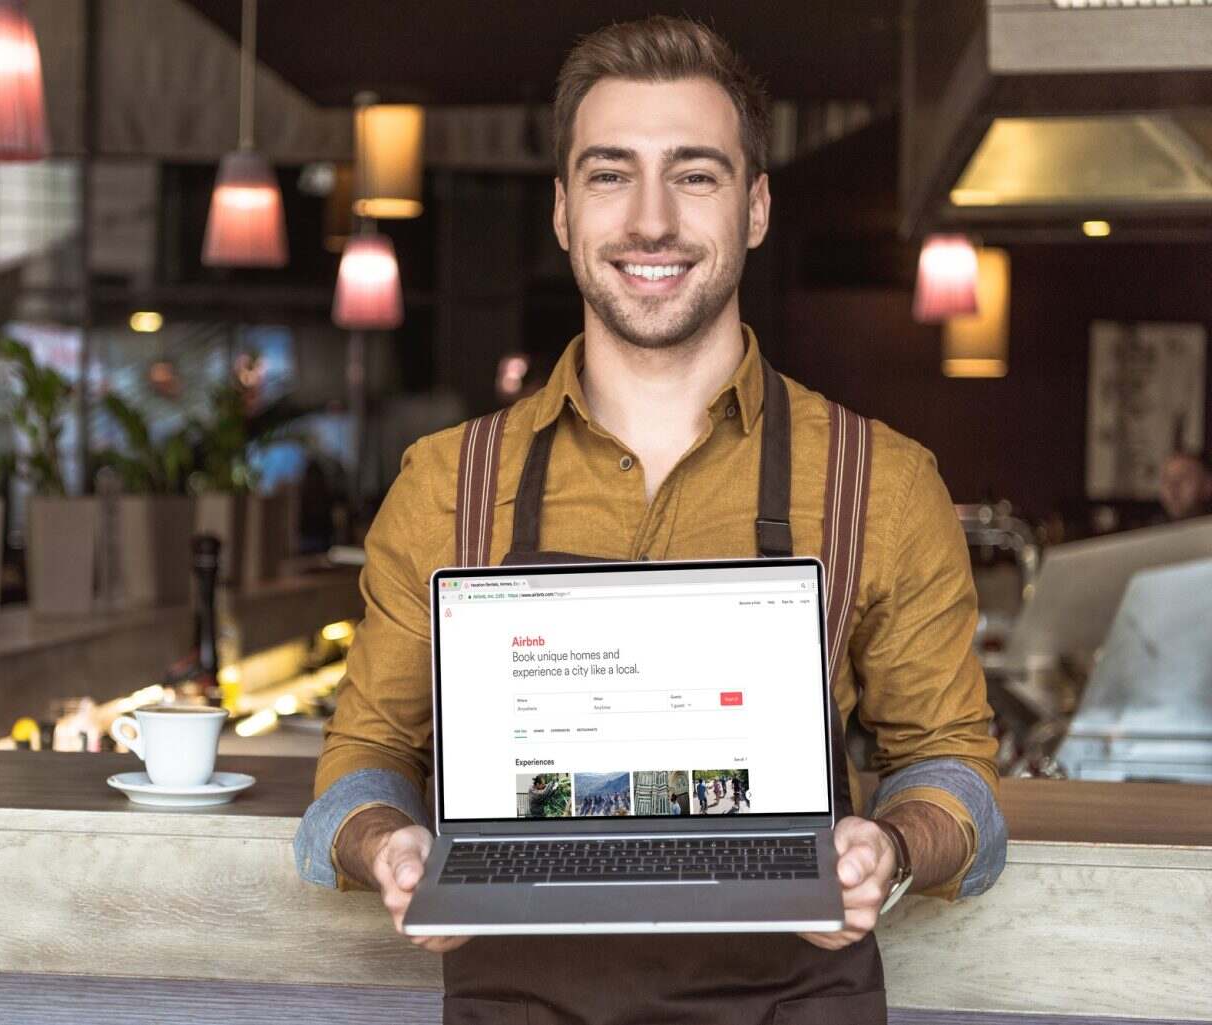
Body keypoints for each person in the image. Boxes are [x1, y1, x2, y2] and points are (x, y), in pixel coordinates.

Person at [295, 15, 1006, 1024]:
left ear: (756, 207)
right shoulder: (447, 481)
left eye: (697, 173)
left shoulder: (879, 480)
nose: (651, 219)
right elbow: (359, 764)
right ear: (562, 210)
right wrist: (388, 843)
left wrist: (890, 848)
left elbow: (956, 772)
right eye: (610, 172)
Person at [1159, 450, 1212, 521]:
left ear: (1207, 484)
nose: (1172, 487)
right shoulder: (1150, 529)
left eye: (1183, 477)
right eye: (1166, 480)